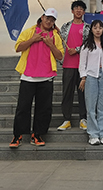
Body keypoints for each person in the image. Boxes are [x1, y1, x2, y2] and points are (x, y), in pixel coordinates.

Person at [9, 8, 64, 148]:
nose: (49, 21)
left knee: (44, 108)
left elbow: (60, 56)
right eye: (47, 18)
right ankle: (18, 135)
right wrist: (33, 39)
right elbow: (18, 47)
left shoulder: (55, 36)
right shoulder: (29, 32)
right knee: (23, 107)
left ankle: (38, 134)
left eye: (52, 20)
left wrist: (50, 44)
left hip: (46, 77)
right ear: (42, 17)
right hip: (28, 76)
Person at [79, 19, 103, 145]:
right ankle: (93, 134)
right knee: (91, 105)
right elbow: (82, 63)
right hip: (91, 76)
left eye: (100, 28)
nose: (98, 30)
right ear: (91, 30)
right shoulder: (86, 45)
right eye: (95, 28)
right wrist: (83, 77)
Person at [57, 0, 90, 131]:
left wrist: (76, 49)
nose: (78, 10)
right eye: (76, 8)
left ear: (84, 12)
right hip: (68, 65)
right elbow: (60, 41)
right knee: (67, 93)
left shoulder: (87, 27)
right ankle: (66, 119)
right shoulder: (65, 26)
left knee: (83, 93)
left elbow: (89, 43)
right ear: (72, 11)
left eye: (81, 8)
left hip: (83, 65)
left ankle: (83, 119)